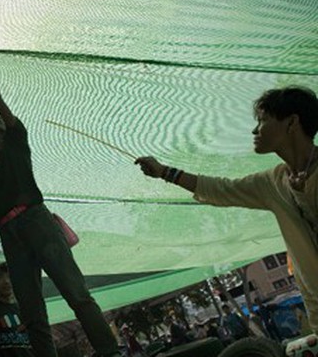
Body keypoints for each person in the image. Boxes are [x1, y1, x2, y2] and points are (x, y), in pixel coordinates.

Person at [0, 45, 120, 357]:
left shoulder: (17, 139)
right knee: (32, 314)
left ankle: (110, 352)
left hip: (37, 220)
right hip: (10, 235)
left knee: (76, 292)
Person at [135, 85, 318, 334]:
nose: (255, 130)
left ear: (292, 122)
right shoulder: (274, 182)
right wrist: (165, 172)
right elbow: (221, 189)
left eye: (263, 120)